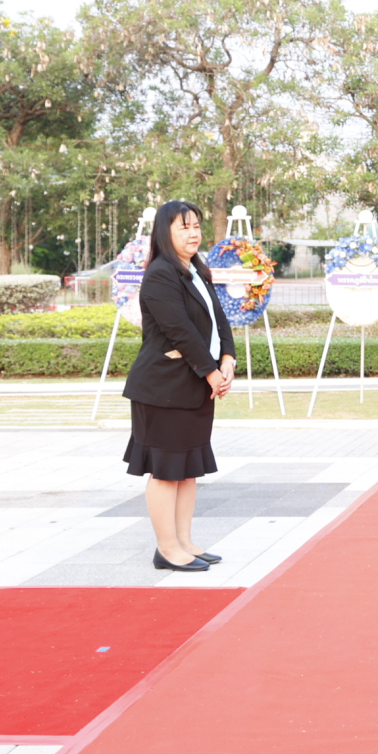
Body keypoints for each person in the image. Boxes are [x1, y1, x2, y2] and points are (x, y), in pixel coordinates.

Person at [121, 200, 236, 572]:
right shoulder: (160, 274)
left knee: (187, 469)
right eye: (184, 227)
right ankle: (167, 548)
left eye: (196, 226)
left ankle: (184, 542)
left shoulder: (196, 270)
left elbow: (219, 319)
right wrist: (211, 372)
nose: (193, 233)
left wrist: (228, 359)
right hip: (162, 389)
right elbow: (180, 330)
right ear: (164, 232)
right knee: (166, 470)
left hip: (191, 387)